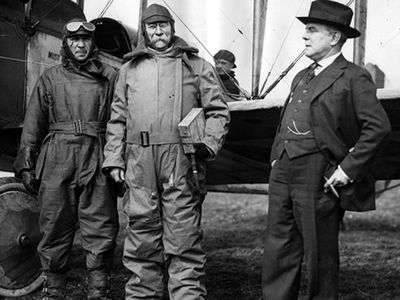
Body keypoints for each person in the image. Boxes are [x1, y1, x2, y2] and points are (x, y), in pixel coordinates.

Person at [261, 1, 391, 299]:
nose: (304, 36)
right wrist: (275, 158)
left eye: (311, 30)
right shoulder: (300, 76)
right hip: (283, 170)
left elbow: (378, 127)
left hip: (319, 174)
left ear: (334, 37)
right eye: (305, 30)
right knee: (278, 246)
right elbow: (286, 119)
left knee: (320, 253)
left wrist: (348, 169)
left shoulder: (354, 76)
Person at [102, 4, 230, 300]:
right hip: (138, 162)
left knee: (183, 238)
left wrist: (206, 144)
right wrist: (113, 158)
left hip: (181, 161)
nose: (158, 31)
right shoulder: (128, 70)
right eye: (152, 26)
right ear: (144, 32)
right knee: (141, 237)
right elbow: (117, 118)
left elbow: (218, 112)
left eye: (163, 25)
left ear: (172, 28)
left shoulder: (196, 66)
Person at [14, 18, 119, 300]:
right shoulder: (50, 78)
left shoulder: (110, 77)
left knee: (101, 226)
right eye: (74, 40)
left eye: (85, 40)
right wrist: (26, 162)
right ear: (66, 44)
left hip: (96, 155)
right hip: (57, 157)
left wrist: (118, 162)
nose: (80, 45)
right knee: (54, 226)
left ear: (92, 43)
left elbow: (120, 123)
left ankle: (99, 290)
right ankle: (54, 290)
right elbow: (33, 122)